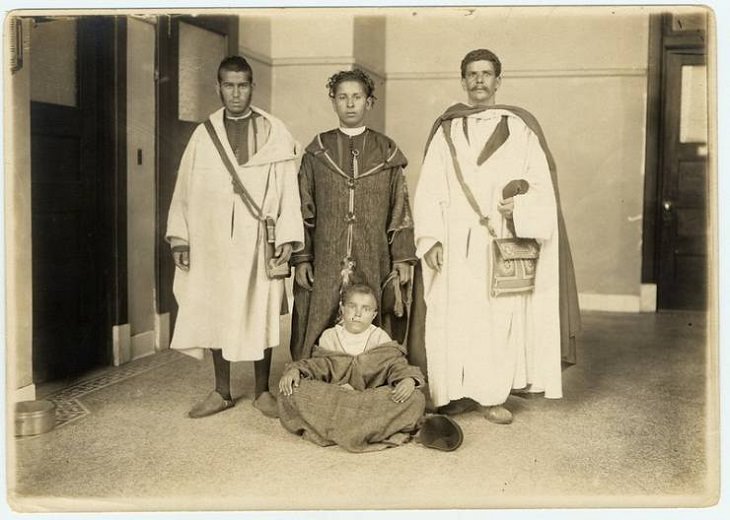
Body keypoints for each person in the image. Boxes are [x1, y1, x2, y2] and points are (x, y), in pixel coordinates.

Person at [410, 49, 581, 425]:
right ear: (463, 81)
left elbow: (539, 185)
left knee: (497, 318)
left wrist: (517, 210)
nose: (479, 81)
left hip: (499, 240)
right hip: (455, 241)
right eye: (472, 74)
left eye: (486, 74)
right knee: (454, 316)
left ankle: (491, 395)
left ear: (498, 81)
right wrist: (432, 240)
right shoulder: (447, 130)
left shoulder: (519, 127)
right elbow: (430, 189)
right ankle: (453, 394)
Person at [166, 56, 304, 419]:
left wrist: (288, 236)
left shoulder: (275, 131)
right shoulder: (203, 135)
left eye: (243, 85)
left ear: (252, 87)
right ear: (218, 87)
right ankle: (222, 390)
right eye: (229, 85)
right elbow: (184, 188)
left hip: (260, 240)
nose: (236, 93)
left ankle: (261, 391)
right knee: (217, 307)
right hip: (213, 240)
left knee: (261, 308)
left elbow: (288, 187)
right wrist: (181, 238)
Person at [289, 69, 417, 361]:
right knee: (320, 312)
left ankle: (372, 375)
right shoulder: (317, 152)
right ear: (333, 101)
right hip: (325, 256)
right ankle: (315, 375)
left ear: (369, 102)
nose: (350, 104)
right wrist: (302, 258)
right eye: (343, 97)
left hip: (373, 255)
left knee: (369, 311)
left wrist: (402, 257)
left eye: (357, 97)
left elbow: (401, 208)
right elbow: (302, 207)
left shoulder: (386, 152)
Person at [278, 284, 426, 452]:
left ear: (373, 315)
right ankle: (366, 429)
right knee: (291, 390)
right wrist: (295, 370)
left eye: (366, 309)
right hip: (336, 398)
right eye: (352, 306)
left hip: (368, 400)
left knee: (416, 398)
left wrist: (408, 380)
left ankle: (338, 427)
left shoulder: (380, 337)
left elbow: (397, 365)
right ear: (342, 309)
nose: (358, 314)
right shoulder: (330, 336)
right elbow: (315, 366)